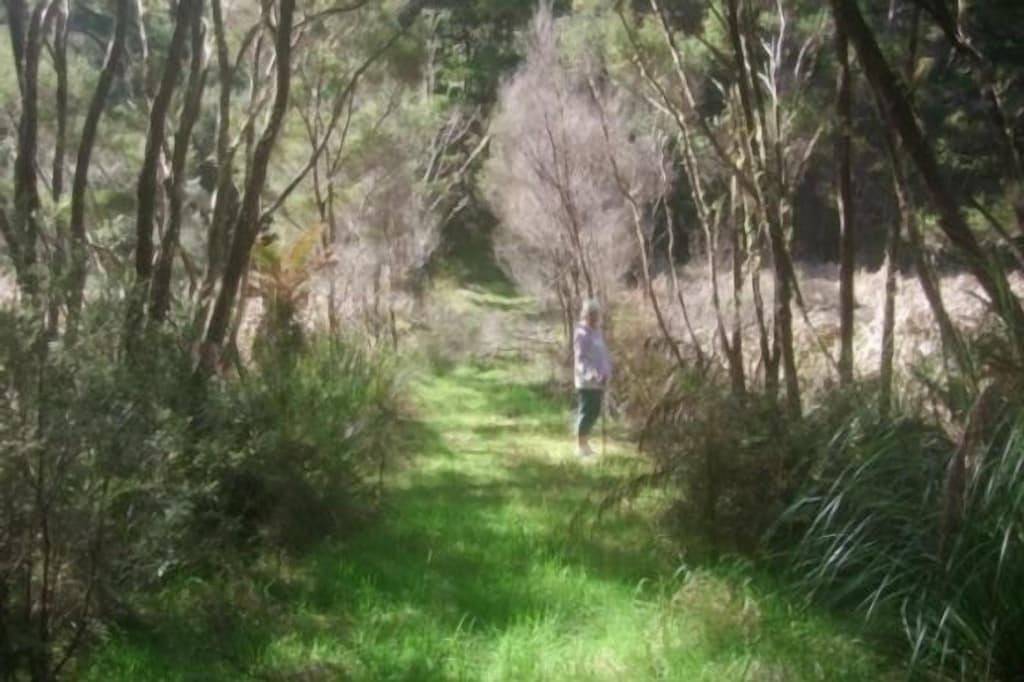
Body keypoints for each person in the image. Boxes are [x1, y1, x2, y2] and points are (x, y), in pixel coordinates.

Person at [573, 298, 612, 458]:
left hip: (600, 380)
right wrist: (591, 374)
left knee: (594, 412)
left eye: (597, 314)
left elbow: (602, 356)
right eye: (592, 314)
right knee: (586, 412)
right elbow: (580, 359)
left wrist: (606, 372)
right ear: (586, 315)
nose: (595, 317)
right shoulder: (581, 334)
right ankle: (580, 446)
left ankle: (586, 443)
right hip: (586, 381)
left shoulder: (597, 332)